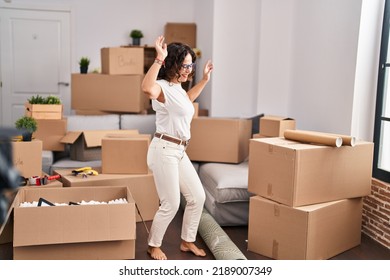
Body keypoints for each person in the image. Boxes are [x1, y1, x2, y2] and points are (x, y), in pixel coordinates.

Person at [141, 35, 214, 260]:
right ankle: (153, 245)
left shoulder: (179, 89)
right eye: (184, 65)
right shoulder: (161, 87)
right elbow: (146, 88)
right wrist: (158, 59)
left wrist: (203, 80)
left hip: (179, 151)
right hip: (164, 150)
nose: (188, 69)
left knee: (197, 197)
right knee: (171, 203)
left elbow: (186, 101)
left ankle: (186, 241)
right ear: (172, 63)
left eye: (190, 65)